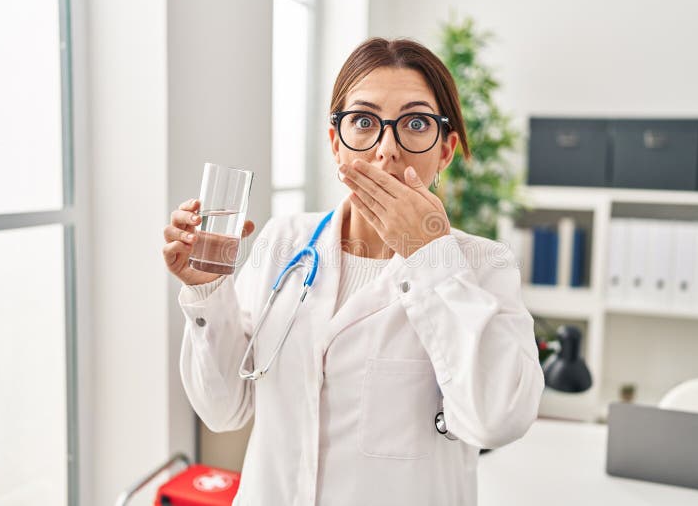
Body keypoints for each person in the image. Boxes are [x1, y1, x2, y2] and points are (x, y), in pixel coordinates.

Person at [162, 37, 544, 506]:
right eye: (363, 122)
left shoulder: (484, 266)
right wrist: (207, 293)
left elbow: (498, 420)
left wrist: (429, 256)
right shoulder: (286, 242)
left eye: (416, 123)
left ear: (445, 151)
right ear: (335, 143)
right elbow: (223, 410)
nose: (386, 150)